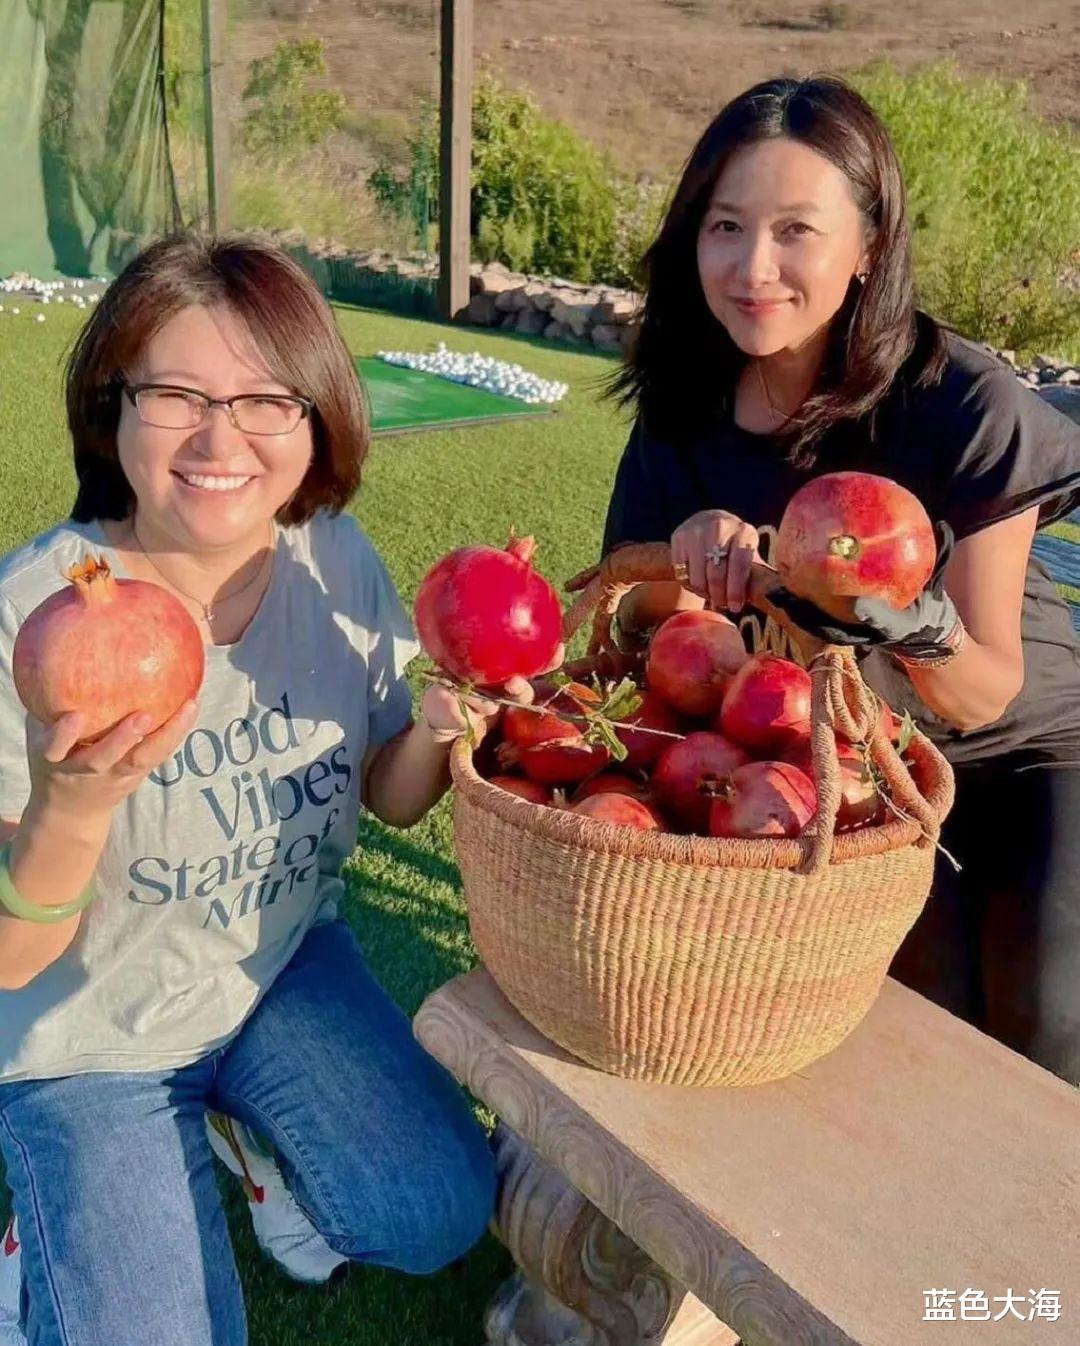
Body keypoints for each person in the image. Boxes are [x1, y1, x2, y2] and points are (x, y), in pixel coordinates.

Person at [0, 234, 536, 1346]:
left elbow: (386, 798)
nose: (220, 438)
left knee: (436, 1210)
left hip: (276, 965)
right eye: (178, 395)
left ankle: (256, 1145)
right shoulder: (34, 623)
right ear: (113, 404)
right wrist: (73, 807)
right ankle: (41, 1243)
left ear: (316, 417)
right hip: (85, 1042)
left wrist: (436, 731)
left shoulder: (332, 560)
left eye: (264, 399)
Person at [600, 75, 1080, 1085]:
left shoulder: (963, 405)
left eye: (795, 232)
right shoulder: (684, 407)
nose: (753, 267)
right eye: (725, 226)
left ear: (867, 248)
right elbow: (636, 627)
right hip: (853, 751)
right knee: (907, 1021)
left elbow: (986, 682)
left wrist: (913, 621)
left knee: (1046, 1018)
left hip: (1025, 747)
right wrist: (685, 557)